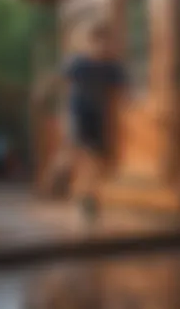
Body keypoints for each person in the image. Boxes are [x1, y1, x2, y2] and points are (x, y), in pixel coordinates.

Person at [34, 21, 127, 223]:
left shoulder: (111, 67)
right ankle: (53, 181)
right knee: (71, 154)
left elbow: (121, 91)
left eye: (105, 42)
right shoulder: (78, 64)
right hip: (76, 115)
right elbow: (58, 81)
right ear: (87, 43)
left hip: (97, 117)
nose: (101, 47)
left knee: (94, 162)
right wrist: (45, 95)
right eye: (96, 42)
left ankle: (88, 200)